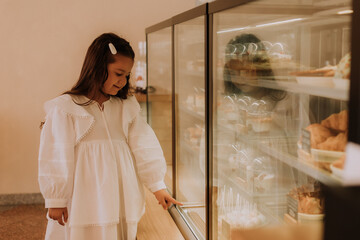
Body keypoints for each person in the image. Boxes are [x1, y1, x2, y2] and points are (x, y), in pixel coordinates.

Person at [38, 32, 182, 240]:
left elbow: (144, 145)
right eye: (118, 73)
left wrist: (157, 185)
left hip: (120, 193)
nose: (123, 81)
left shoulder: (125, 107)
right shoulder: (66, 108)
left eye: (127, 75)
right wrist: (56, 199)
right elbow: (55, 154)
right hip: (84, 195)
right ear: (97, 68)